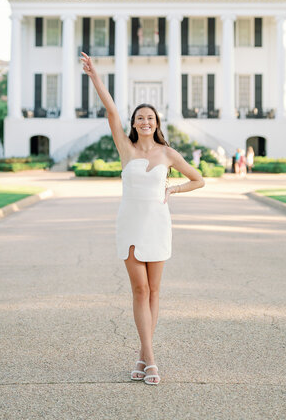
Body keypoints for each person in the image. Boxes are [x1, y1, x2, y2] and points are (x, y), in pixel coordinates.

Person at [80, 52, 205, 385]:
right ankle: (150, 358)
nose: (145, 122)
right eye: (140, 118)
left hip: (158, 225)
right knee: (139, 289)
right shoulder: (126, 148)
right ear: (135, 124)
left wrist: (173, 189)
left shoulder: (167, 153)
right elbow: (111, 110)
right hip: (131, 225)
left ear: (157, 123)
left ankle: (142, 356)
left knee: (154, 292)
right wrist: (94, 75)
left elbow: (199, 179)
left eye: (150, 118)